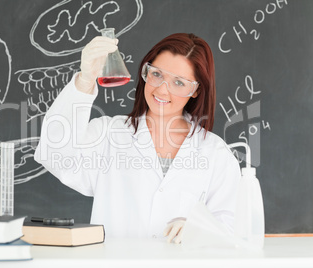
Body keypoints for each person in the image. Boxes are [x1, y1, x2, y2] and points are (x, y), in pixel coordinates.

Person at [34, 33, 241, 243]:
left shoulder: (215, 153)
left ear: (196, 90)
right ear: (146, 71)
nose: (162, 89)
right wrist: (85, 81)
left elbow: (233, 229)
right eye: (157, 74)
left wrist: (199, 230)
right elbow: (54, 153)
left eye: (179, 82)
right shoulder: (109, 135)